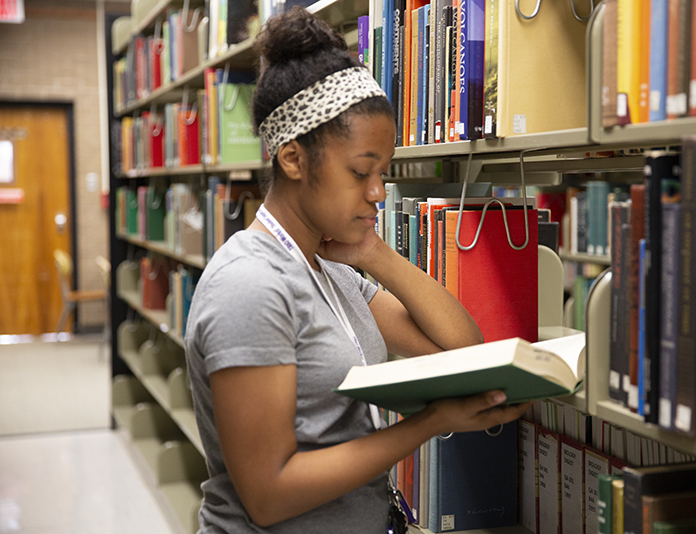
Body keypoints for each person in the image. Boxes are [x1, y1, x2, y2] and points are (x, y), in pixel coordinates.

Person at [184, 7, 533, 533]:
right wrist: (429, 424)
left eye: (384, 174)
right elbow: (268, 495)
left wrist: (377, 255)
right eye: (360, 172)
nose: (377, 193)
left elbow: (465, 350)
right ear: (293, 159)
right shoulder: (249, 285)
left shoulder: (332, 271)